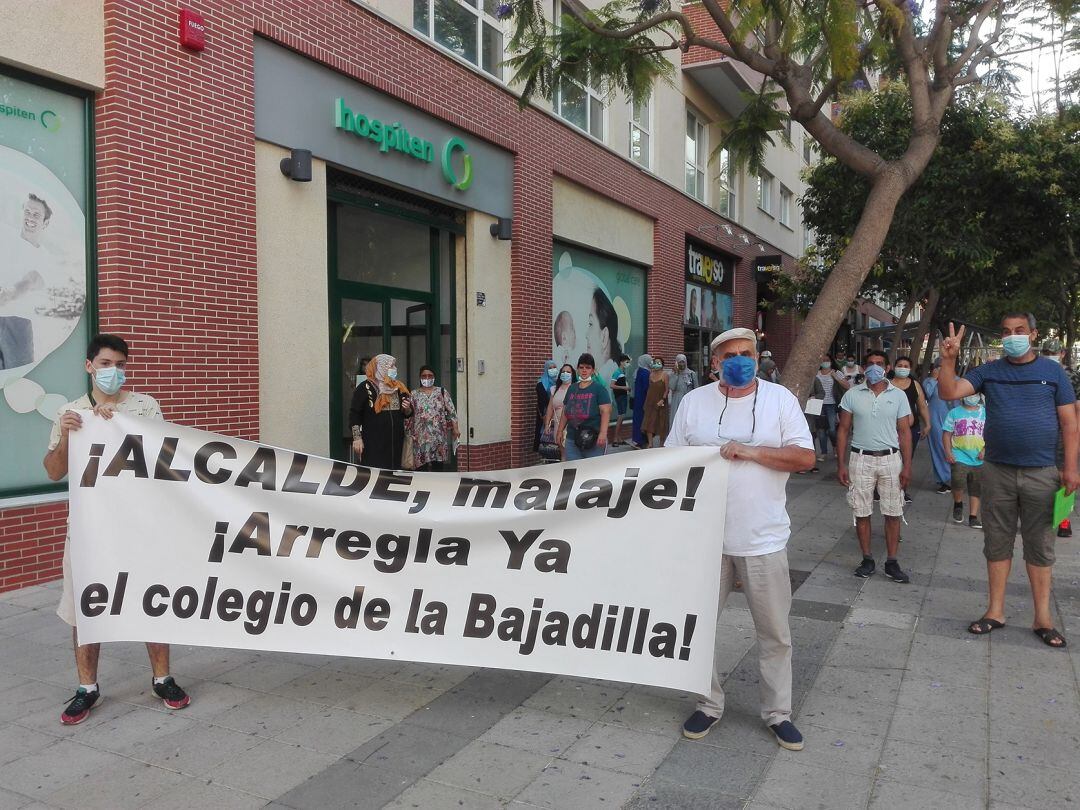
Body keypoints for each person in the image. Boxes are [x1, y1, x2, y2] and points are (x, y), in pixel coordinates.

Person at [667, 327, 815, 751]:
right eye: (729, 355)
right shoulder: (694, 403)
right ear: (714, 363)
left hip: (762, 539)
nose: (739, 360)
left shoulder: (779, 400)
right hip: (704, 541)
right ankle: (707, 703)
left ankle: (777, 713)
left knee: (774, 633)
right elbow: (673, 461)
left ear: (757, 356)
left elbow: (804, 457)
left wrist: (751, 452)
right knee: (696, 629)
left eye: (746, 353)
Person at [42, 333, 192, 725]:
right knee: (85, 607)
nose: (114, 372)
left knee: (151, 600)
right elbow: (55, 470)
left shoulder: (145, 407)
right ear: (89, 366)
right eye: (106, 364)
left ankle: (163, 678)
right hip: (90, 530)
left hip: (139, 526)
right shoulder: (71, 411)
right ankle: (86, 687)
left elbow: (164, 462)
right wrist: (70, 436)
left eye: (121, 365)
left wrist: (122, 428)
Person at [938, 315, 1078, 648]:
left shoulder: (1053, 372)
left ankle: (1042, 618)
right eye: (1006, 332)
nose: (1013, 337)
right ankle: (995, 612)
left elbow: (1071, 425)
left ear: (1033, 333)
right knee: (997, 542)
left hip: (1042, 472)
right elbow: (949, 391)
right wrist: (948, 359)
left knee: (1040, 546)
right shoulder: (990, 371)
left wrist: (1071, 468)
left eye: (1019, 331)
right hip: (997, 471)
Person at [836, 350, 914, 583]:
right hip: (860, 458)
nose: (874, 368)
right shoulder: (852, 395)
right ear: (863, 367)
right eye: (869, 364)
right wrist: (841, 464)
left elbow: (905, 432)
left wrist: (907, 466)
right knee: (861, 510)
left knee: (893, 511)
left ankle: (892, 561)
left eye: (879, 364)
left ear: (887, 368)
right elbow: (843, 430)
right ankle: (867, 558)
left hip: (890, 459)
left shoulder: (898, 395)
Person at [349, 354, 412, 469]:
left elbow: (407, 413)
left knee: (395, 476)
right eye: (391, 366)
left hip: (395, 444)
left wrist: (407, 408)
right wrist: (357, 438)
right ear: (381, 368)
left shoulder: (398, 387)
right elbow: (354, 414)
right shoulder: (364, 388)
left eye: (395, 366)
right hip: (374, 443)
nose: (395, 369)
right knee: (375, 474)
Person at [942, 393, 986, 528]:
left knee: (976, 488)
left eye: (974, 394)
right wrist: (948, 452)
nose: (971, 397)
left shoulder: (985, 413)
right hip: (959, 454)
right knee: (957, 480)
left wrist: (985, 450)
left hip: (978, 457)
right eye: (968, 394)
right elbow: (946, 434)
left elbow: (992, 433)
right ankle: (958, 503)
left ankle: (973, 516)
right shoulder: (954, 413)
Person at [557, 353, 611, 461]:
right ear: (577, 369)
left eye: (588, 367)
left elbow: (606, 411)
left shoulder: (599, 389)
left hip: (593, 439)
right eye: (581, 367)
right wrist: (560, 431)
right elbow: (565, 411)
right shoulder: (572, 388)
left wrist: (603, 433)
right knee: (573, 471)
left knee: (593, 472)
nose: (584, 370)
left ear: (592, 370)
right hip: (572, 438)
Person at [407, 366, 459, 471]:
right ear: (420, 378)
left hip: (438, 438)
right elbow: (408, 415)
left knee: (438, 469)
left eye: (430, 376)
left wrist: (455, 429)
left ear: (434, 377)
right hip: (420, 438)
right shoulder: (414, 394)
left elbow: (452, 412)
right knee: (421, 468)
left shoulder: (442, 392)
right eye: (424, 376)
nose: (427, 378)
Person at [921, 359, 953, 493]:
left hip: (954, 419)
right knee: (939, 449)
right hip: (935, 420)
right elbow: (926, 395)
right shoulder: (929, 382)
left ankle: (956, 477)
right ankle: (944, 480)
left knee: (955, 449)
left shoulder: (956, 379)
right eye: (939, 367)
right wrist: (934, 379)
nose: (942, 369)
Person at [810, 353, 849, 460]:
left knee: (832, 429)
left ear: (831, 361)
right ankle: (823, 452)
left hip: (831, 404)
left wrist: (835, 377)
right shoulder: (816, 374)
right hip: (817, 404)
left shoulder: (836, 372)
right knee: (821, 430)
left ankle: (835, 446)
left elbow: (847, 386)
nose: (825, 362)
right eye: (823, 360)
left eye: (827, 360)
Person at [889, 356, 930, 456]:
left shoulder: (915, 384)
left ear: (910, 369)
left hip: (912, 429)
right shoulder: (887, 384)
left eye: (905, 366)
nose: (902, 368)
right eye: (900, 366)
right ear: (894, 367)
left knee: (907, 458)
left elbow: (922, 406)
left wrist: (927, 424)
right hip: (889, 429)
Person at [586, 287, 623, 385]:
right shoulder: (605, 372)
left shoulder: (608, 377)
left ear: (604, 336)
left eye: (590, 324)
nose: (586, 335)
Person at [543, 363, 576, 444]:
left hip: (572, 425)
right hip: (557, 423)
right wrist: (547, 424)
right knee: (561, 450)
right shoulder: (554, 389)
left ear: (572, 374)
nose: (565, 374)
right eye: (563, 371)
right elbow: (550, 408)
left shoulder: (576, 388)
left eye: (568, 372)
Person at [641, 355, 670, 447]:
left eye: (659, 363)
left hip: (661, 402)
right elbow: (650, 388)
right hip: (650, 401)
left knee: (661, 423)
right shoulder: (651, 374)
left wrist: (663, 399)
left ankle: (661, 444)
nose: (657, 364)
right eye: (655, 362)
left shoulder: (665, 375)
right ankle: (650, 443)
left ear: (662, 364)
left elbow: (667, 389)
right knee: (649, 422)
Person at [668, 353, 697, 425]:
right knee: (677, 419)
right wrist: (676, 374)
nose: (681, 364)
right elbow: (672, 387)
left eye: (683, 362)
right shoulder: (673, 374)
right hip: (677, 399)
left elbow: (696, 388)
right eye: (679, 362)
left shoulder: (691, 373)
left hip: (688, 398)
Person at [535, 359, 558, 452]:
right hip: (545, 414)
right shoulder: (541, 383)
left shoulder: (559, 382)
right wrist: (545, 416)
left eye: (554, 367)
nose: (552, 369)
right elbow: (541, 401)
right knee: (545, 438)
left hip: (558, 413)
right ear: (546, 370)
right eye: (550, 368)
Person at [610, 353, 631, 445]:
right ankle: (615, 438)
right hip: (620, 396)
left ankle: (619, 437)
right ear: (621, 362)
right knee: (620, 416)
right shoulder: (617, 372)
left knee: (622, 417)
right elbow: (612, 385)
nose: (628, 364)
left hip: (624, 395)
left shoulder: (623, 372)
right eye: (626, 362)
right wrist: (624, 388)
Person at [631, 353, 652, 448]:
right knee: (643, 419)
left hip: (637, 399)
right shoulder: (645, 373)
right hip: (644, 399)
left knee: (637, 419)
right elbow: (647, 387)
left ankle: (637, 439)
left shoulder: (638, 371)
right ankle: (642, 440)